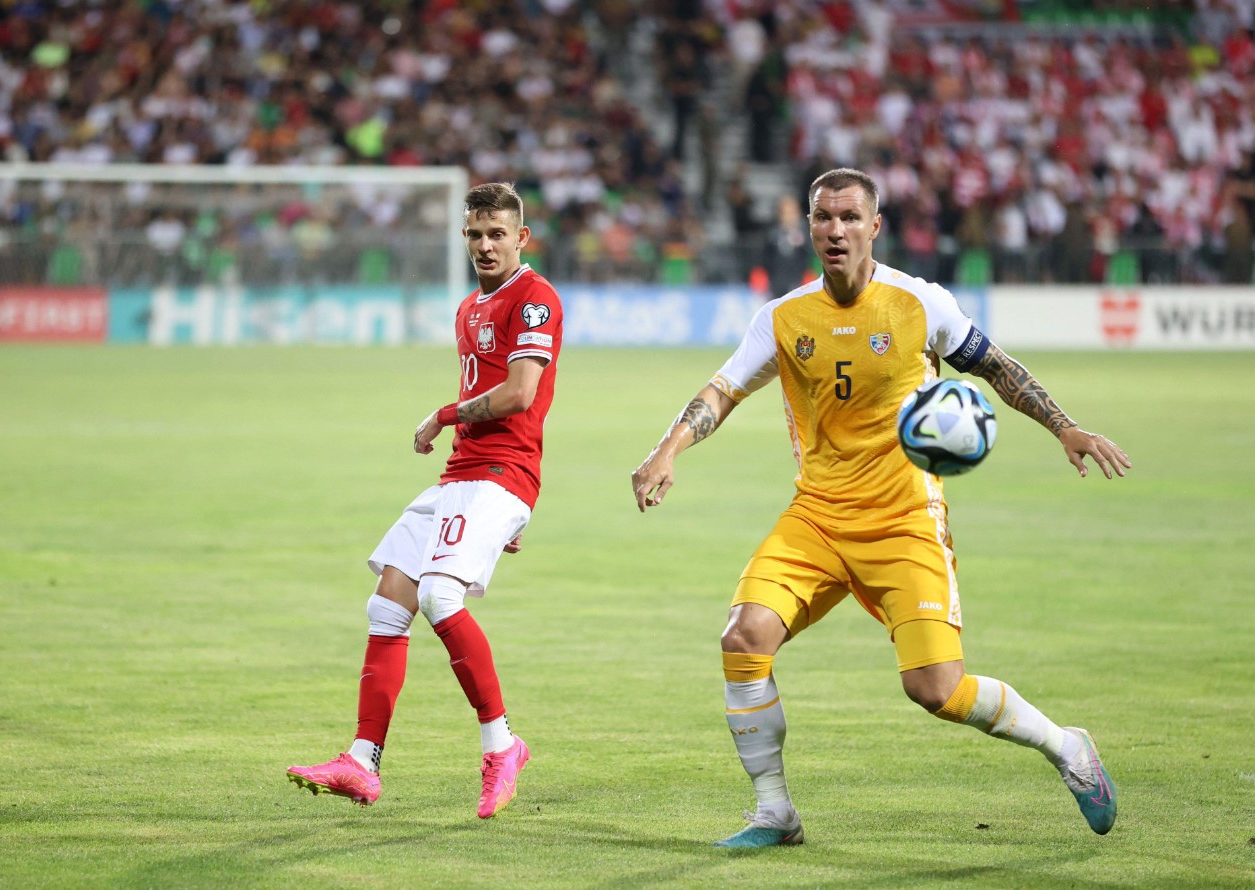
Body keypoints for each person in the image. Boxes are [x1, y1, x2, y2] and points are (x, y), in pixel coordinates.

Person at [630, 168, 1130, 848]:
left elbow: (997, 368)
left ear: (874, 226)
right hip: (816, 517)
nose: (834, 230)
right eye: (822, 218)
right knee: (742, 639)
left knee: (936, 691)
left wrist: (1063, 425)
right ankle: (774, 812)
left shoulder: (919, 305)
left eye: (847, 218)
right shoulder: (781, 317)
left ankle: (1066, 747)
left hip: (904, 522)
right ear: (808, 226)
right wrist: (668, 449)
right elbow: (720, 390)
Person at [287, 182, 564, 818]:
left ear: (521, 237)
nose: (486, 245)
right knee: (389, 600)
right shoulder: (469, 307)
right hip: (462, 478)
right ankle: (361, 761)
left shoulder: (534, 299)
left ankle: (503, 745)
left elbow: (521, 394)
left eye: (498, 233)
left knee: (441, 596)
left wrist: (442, 415)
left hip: (502, 471)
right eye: (475, 234)